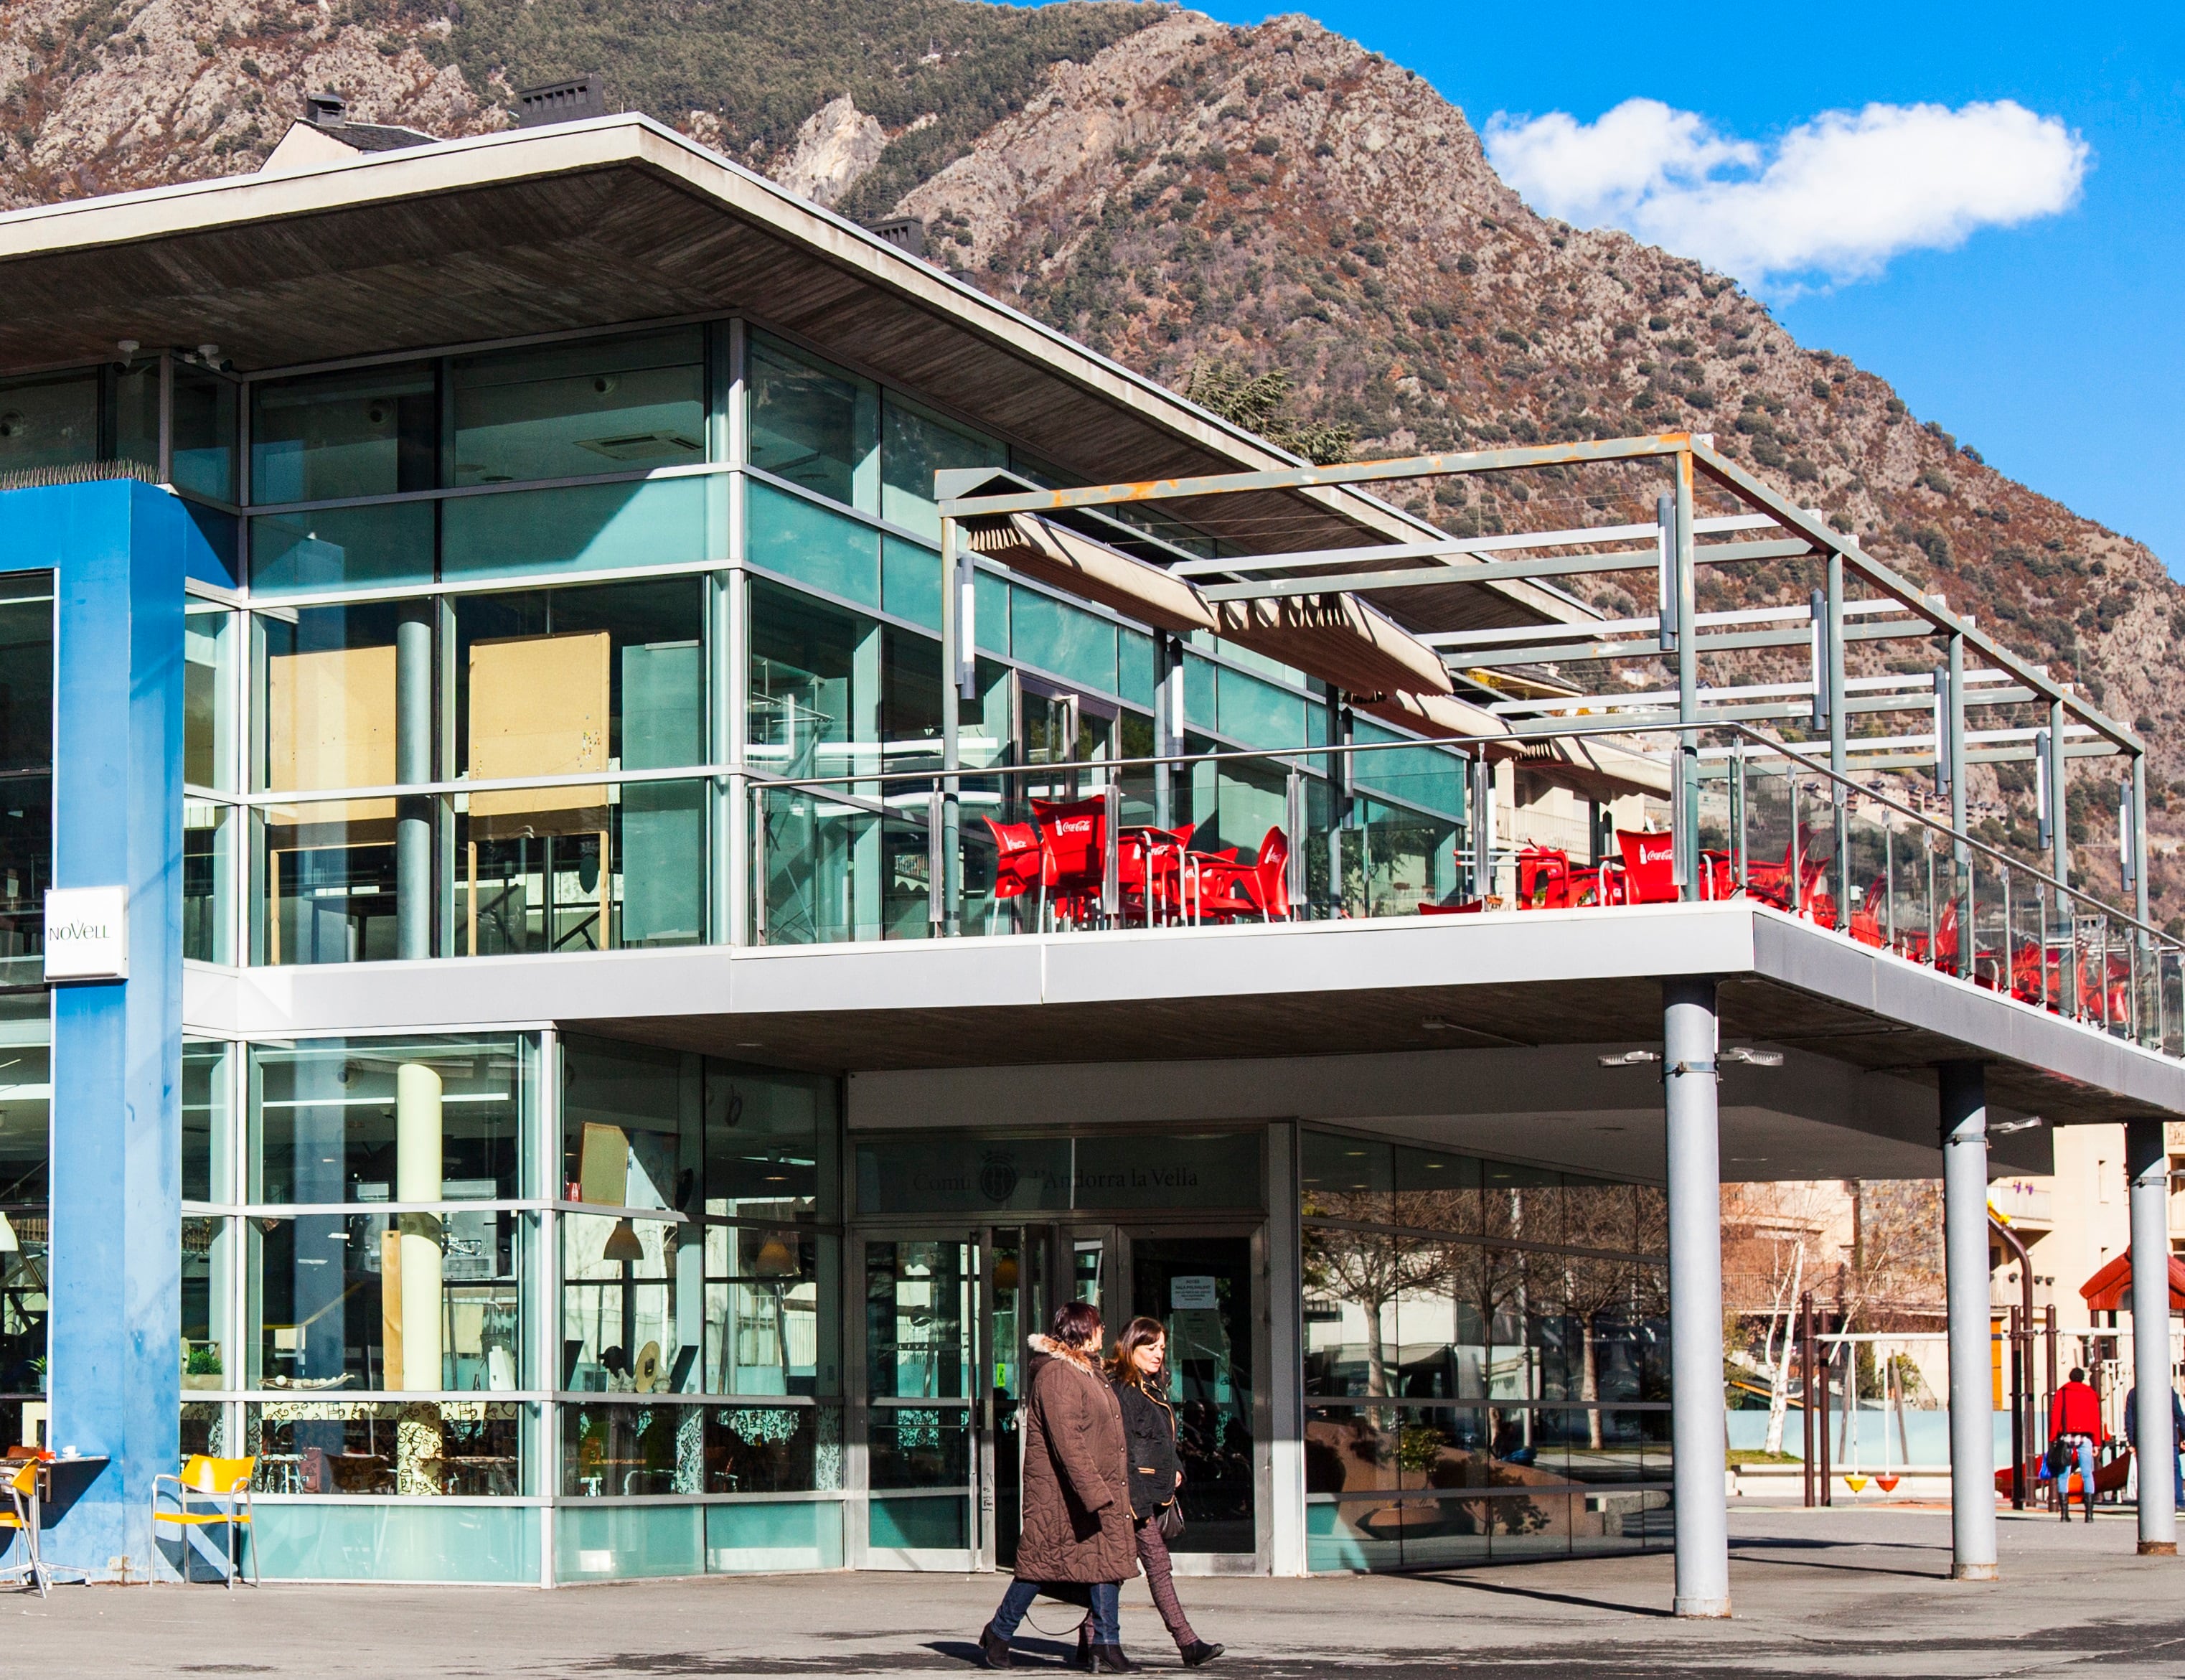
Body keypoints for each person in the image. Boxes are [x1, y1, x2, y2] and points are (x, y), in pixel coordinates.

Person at [979, 1300, 1138, 1673]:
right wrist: (1096, 1494)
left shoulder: (1086, 1372)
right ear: (1083, 1330)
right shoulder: (1060, 1376)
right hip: (1064, 1498)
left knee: (1105, 1566)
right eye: (1098, 1326)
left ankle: (1106, 1644)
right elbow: (1069, 1443)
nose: (1103, 1332)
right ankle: (999, 1633)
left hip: (1089, 1492)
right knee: (1038, 1568)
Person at [1074, 1318, 1224, 1670]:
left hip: (1150, 1493)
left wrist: (1176, 1471)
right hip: (1132, 1496)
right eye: (1150, 1347)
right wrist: (1138, 1500)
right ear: (1130, 1347)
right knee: (1157, 1566)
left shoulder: (1152, 1386)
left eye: (1161, 1347)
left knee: (1116, 1570)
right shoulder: (1125, 1390)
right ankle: (1187, 1643)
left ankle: (1091, 1642)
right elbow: (1120, 1449)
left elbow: (1162, 1440)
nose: (1159, 1354)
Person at [2049, 1366, 2104, 1522]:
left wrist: (2053, 1438)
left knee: (2063, 1474)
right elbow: (2095, 1419)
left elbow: (2056, 1416)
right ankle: (2089, 1514)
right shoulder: (2091, 1394)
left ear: (2070, 1377)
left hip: (2066, 1437)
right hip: (2086, 1437)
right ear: (2083, 1378)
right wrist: (2097, 1443)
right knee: (2087, 1474)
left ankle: (2064, 1514)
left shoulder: (2063, 1392)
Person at [2123, 1379, 2185, 1508]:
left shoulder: (2134, 1393)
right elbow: (2179, 1414)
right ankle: (2178, 1501)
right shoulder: (2168, 1391)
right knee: (2173, 1469)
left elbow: (2129, 1420)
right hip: (2168, 1437)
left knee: (2148, 1471)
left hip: (2145, 1440)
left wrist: (2132, 1442)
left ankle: (2152, 1502)